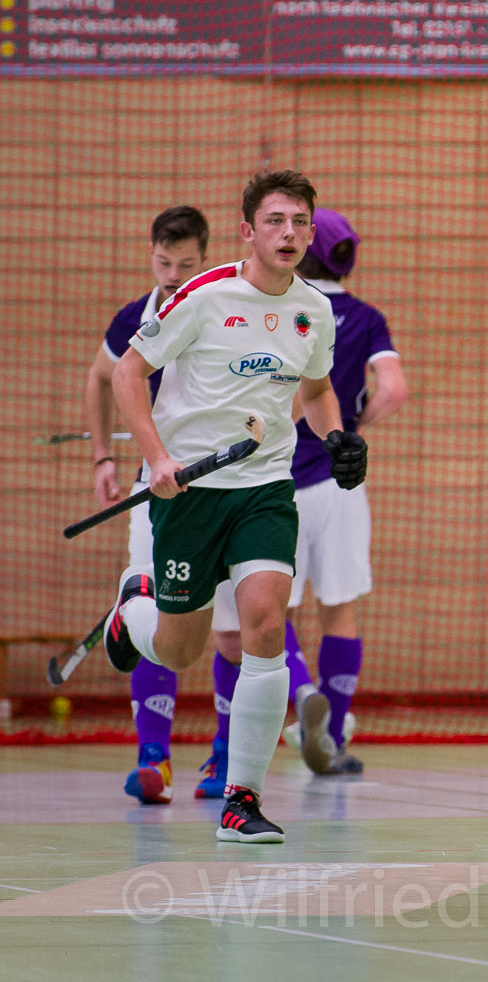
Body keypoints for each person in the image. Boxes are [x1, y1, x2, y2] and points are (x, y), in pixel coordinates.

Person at [102, 170, 369, 844]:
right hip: (190, 492)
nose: (289, 233)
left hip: (265, 489)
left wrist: (337, 437)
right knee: (180, 649)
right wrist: (157, 458)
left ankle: (240, 799)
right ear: (247, 230)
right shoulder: (202, 296)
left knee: (265, 625)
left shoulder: (314, 310)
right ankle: (132, 615)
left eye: (300, 222)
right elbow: (127, 372)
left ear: (311, 233)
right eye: (275, 220)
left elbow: (315, 391)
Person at [83, 205, 228, 804]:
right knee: (157, 609)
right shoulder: (135, 318)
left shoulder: (228, 309)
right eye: (164, 262)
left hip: (231, 488)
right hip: (159, 487)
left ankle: (225, 759)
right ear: (151, 254)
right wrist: (103, 458)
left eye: (185, 265)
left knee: (234, 631)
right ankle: (154, 760)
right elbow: (101, 378)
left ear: (206, 258)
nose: (172, 275)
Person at [282, 207, 405, 775]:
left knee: (270, 609)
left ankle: (302, 689)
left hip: (278, 481)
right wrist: (350, 426)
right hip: (341, 480)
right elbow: (393, 389)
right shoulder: (367, 317)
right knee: (341, 610)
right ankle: (332, 739)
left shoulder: (285, 309)